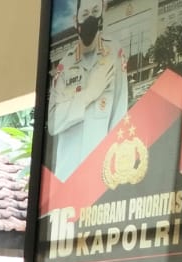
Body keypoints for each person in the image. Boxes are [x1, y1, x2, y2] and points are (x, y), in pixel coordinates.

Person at [46, 0, 130, 180]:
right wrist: (89, 94)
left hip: (99, 176)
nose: (90, 18)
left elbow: (119, 118)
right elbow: (53, 122)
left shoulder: (114, 55)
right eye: (84, 14)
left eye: (95, 11)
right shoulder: (65, 65)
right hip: (67, 177)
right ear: (76, 19)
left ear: (103, 11)